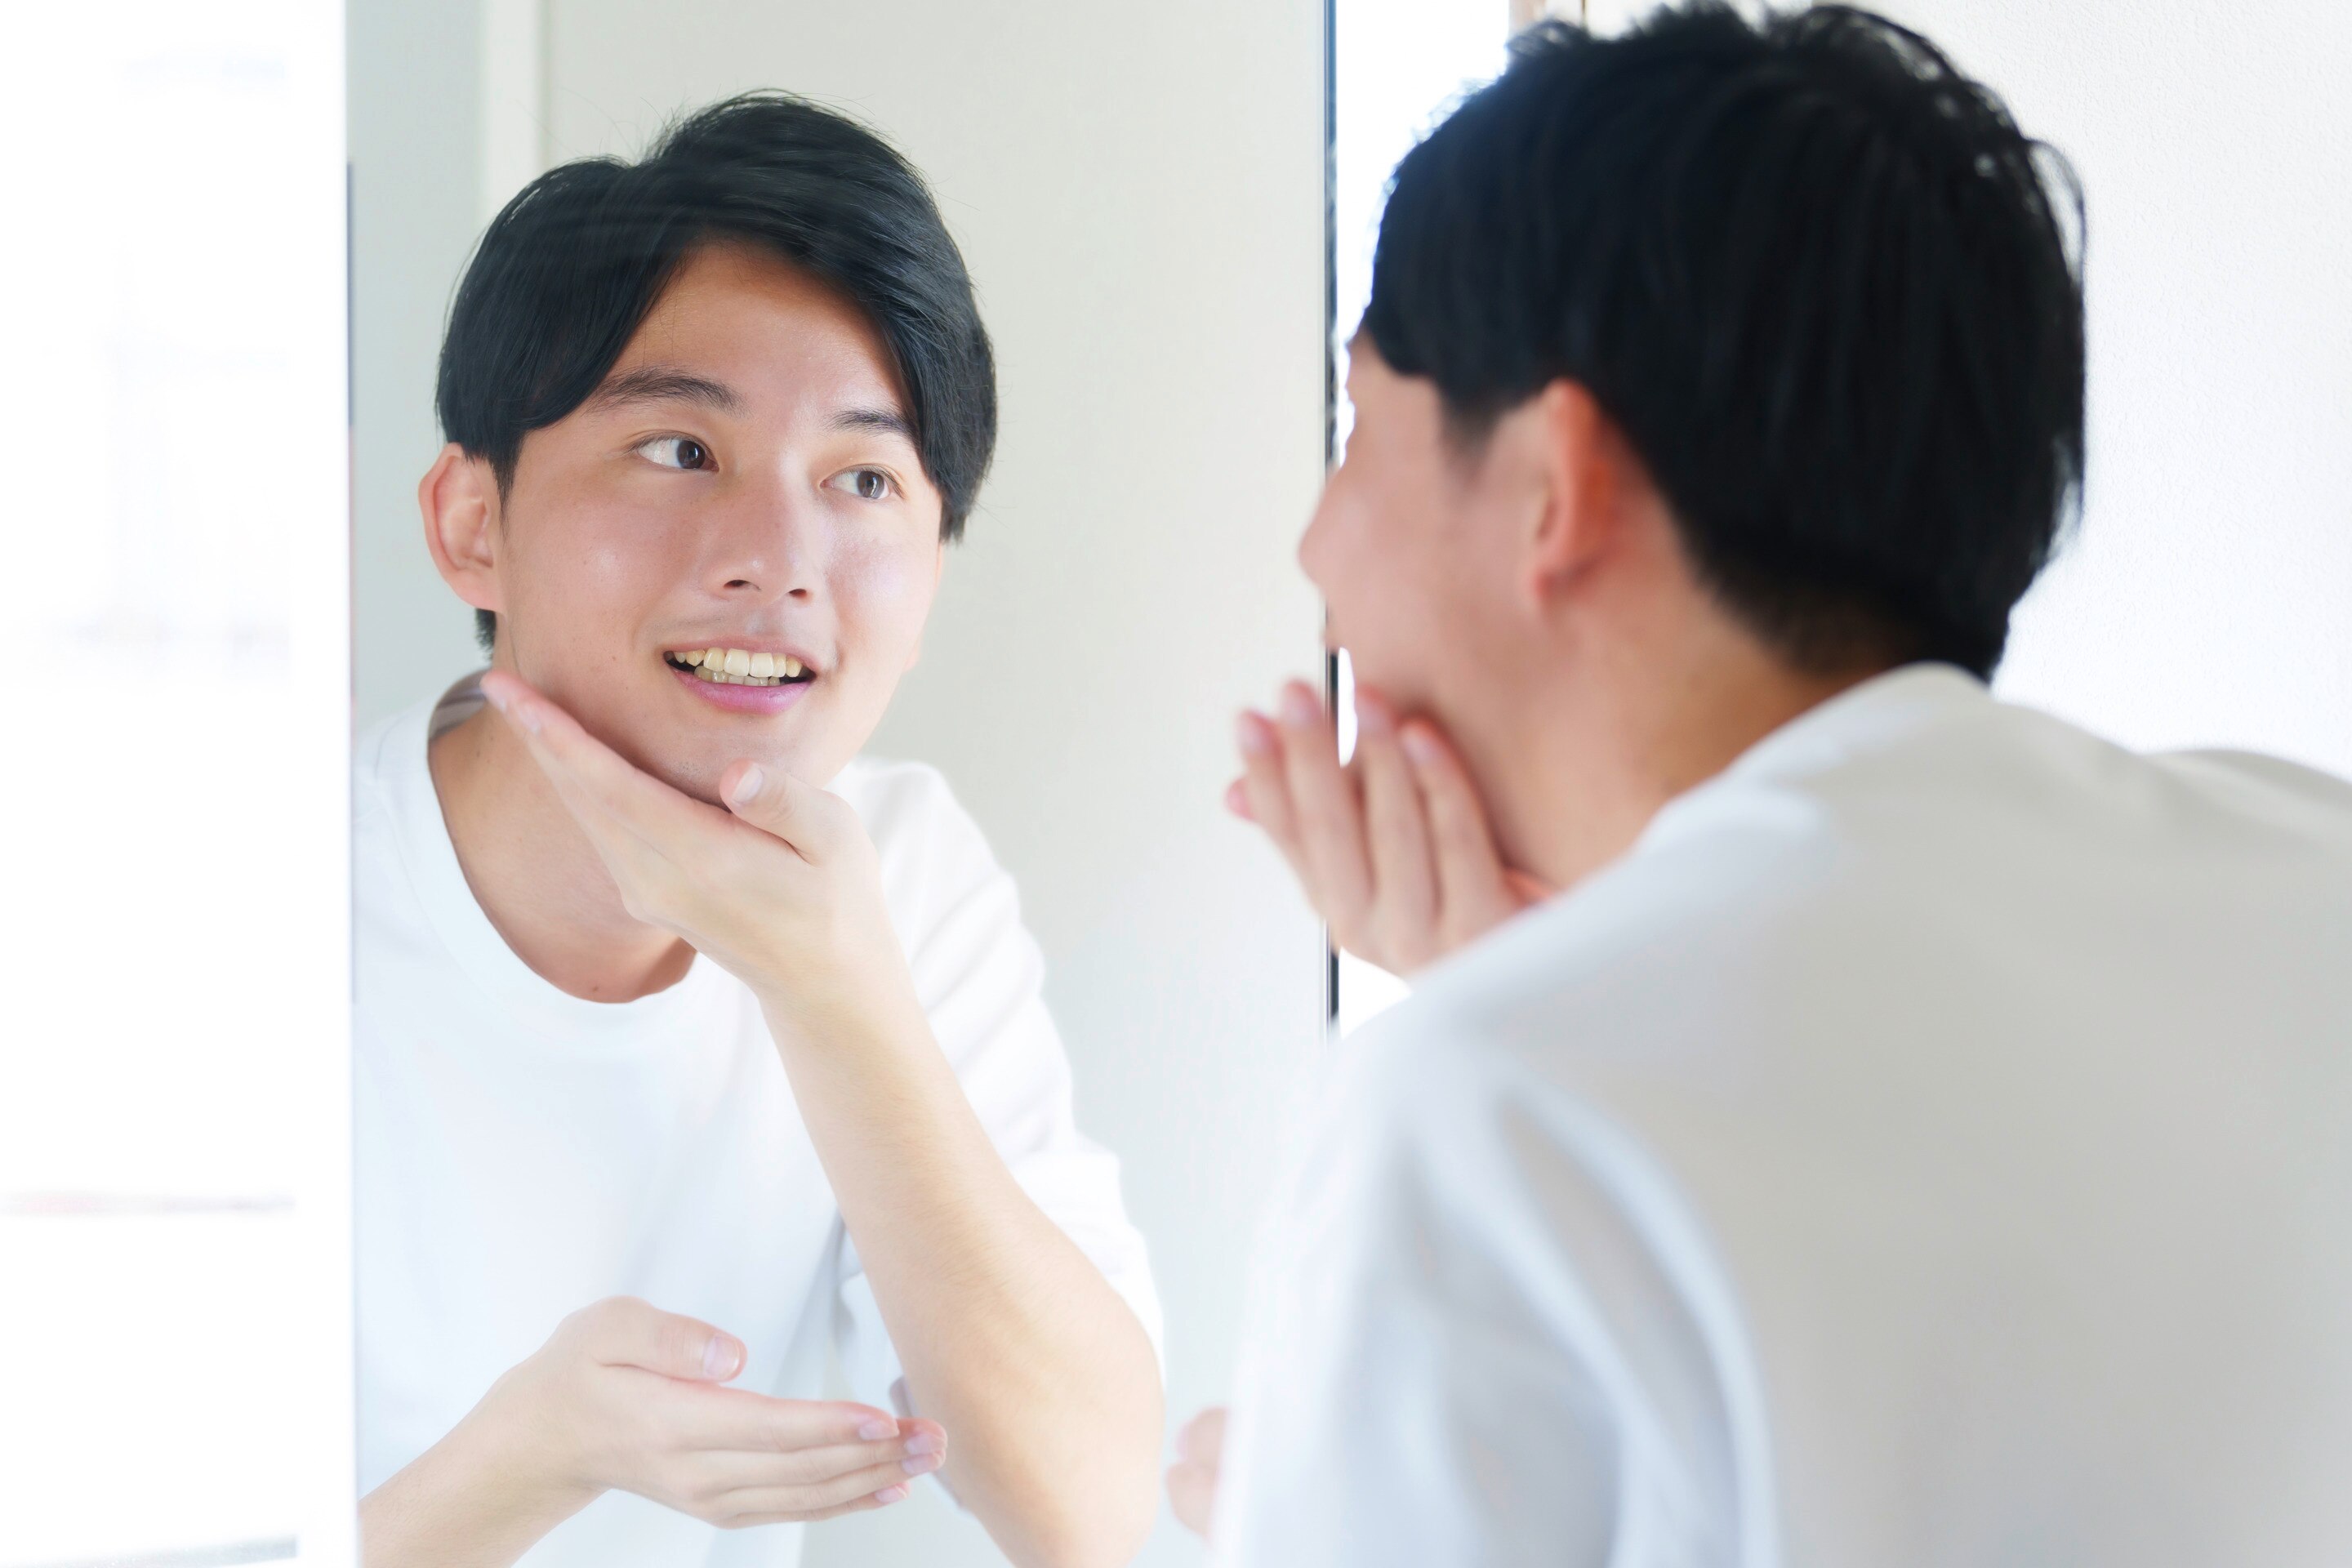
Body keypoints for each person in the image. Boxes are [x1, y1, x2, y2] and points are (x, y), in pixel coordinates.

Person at [1166, 5, 2352, 1565]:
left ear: (1550, 484)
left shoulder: (1490, 1112)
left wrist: (1246, 1490)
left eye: (1359, 428)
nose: (1319, 562)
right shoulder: (2310, 868)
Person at [352, 95, 1163, 1568]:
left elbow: (1089, 1509)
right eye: (678, 450)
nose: (778, 564)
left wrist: (833, 989)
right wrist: (530, 1462)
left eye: (862, 479)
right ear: (474, 522)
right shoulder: (243, 894)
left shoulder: (902, 868)